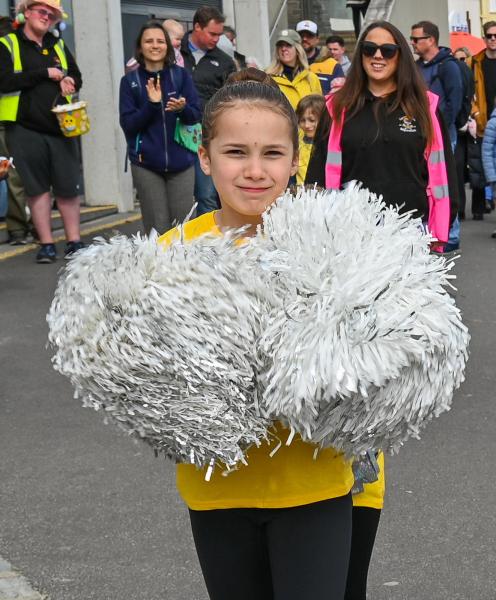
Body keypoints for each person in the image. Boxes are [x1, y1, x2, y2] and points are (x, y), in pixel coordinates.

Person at [158, 71, 354, 600]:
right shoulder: (169, 255)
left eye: (272, 154)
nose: (254, 170)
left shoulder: (337, 247)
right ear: (205, 158)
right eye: (235, 152)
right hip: (216, 489)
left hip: (315, 485)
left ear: (295, 160)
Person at [305, 21, 459, 594]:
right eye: (368, 49)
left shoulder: (424, 106)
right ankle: (349, 442)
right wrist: (314, 238)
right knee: (348, 355)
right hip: (348, 251)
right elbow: (319, 176)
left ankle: (369, 444)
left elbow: (439, 175)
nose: (376, 56)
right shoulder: (338, 107)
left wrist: (438, 239)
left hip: (407, 250)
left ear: (401, 56)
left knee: (391, 360)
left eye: (387, 50)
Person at [0, 0, 83, 263]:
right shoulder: (8, 43)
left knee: (68, 187)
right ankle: (46, 244)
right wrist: (43, 73)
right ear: (26, 12)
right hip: (24, 128)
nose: (46, 17)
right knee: (36, 188)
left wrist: (70, 80)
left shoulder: (57, 44)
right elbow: (4, 81)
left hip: (62, 127)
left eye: (51, 14)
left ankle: (74, 242)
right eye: (41, 11)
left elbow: (77, 75)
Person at [119, 21, 201, 236]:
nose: (155, 46)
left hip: (182, 162)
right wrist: (151, 105)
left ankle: (184, 261)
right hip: (146, 165)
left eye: (160, 41)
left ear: (168, 46)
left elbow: (195, 115)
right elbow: (128, 125)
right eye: (149, 41)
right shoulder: (130, 81)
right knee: (158, 230)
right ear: (140, 47)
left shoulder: (181, 76)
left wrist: (182, 109)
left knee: (184, 228)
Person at [180, 5, 236, 216]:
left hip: (206, 136)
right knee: (180, 198)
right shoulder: (174, 52)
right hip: (175, 135)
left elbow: (231, 100)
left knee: (207, 195)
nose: (216, 39)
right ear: (197, 27)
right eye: (212, 34)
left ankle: (208, 236)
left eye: (219, 35)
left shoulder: (224, 62)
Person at [0, 14, 31, 245]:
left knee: (11, 174)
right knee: (17, 174)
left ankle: (19, 228)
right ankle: (23, 227)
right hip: (17, 119)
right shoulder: (15, 46)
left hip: (9, 118)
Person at [411, 20, 463, 149]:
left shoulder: (448, 66)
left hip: (443, 137)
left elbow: (454, 103)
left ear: (431, 40)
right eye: (412, 39)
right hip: (420, 135)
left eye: (416, 39)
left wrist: (440, 128)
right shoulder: (415, 67)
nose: (412, 43)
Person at [468, 21, 496, 220]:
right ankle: (479, 208)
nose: (493, 39)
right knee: (479, 165)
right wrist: (476, 113)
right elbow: (468, 92)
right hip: (482, 121)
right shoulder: (474, 62)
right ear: (484, 38)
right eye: (489, 35)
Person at [266, 29, 322, 111]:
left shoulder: (311, 78)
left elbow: (319, 110)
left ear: (298, 49)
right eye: (280, 45)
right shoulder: (268, 78)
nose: (283, 49)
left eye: (288, 45)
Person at [453, 47, 476, 221]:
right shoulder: (455, 77)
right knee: (458, 169)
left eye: (463, 59)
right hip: (461, 128)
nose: (460, 63)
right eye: (457, 59)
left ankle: (479, 205)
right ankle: (459, 207)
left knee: (474, 168)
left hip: (472, 127)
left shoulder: (471, 76)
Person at [295, 94, 325, 184]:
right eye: (302, 120)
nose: (307, 125)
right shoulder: (296, 144)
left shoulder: (332, 148)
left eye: (312, 120)